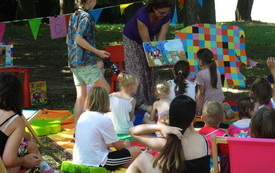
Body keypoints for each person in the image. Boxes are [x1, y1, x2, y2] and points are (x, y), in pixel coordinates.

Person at [126, 95, 210, 173]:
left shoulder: (168, 142)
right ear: (194, 118)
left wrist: (160, 127)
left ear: (171, 116)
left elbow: (132, 131)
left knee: (142, 158)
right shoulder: (204, 139)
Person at [0, 74, 61, 173]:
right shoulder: (13, 119)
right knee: (29, 148)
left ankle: (46, 169)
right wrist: (24, 160)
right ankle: (46, 169)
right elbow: (9, 160)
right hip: (4, 168)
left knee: (28, 145)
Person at [73, 86, 141, 171]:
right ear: (106, 101)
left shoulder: (83, 115)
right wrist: (126, 144)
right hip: (97, 163)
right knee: (136, 150)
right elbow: (119, 147)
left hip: (78, 160)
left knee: (112, 149)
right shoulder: (104, 119)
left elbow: (95, 140)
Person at [123, 0, 174, 107]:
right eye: (161, 13)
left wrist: (162, 58)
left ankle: (153, 98)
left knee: (153, 69)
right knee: (138, 68)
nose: (164, 15)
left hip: (150, 39)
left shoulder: (166, 16)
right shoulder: (142, 16)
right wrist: (153, 58)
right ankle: (138, 101)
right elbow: (146, 43)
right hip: (132, 39)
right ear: (154, 8)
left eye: (167, 12)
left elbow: (161, 39)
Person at [67, 0, 110, 125]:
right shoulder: (86, 17)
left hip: (74, 61)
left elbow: (69, 38)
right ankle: (96, 124)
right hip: (85, 61)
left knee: (81, 97)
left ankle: (78, 129)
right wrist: (97, 52)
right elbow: (78, 38)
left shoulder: (74, 15)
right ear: (91, 1)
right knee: (105, 89)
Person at [198, 101, 229, 173]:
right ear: (222, 119)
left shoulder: (196, 134)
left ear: (202, 118)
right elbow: (226, 158)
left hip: (200, 168)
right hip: (216, 169)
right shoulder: (223, 136)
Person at [195, 48, 225, 116]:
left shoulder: (201, 74)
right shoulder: (216, 70)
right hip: (218, 104)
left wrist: (199, 110)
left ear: (200, 61)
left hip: (207, 106)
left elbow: (201, 94)